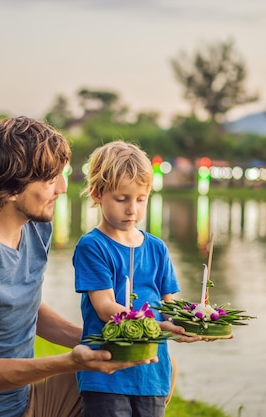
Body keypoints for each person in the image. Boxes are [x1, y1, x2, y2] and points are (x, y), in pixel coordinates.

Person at [0, 116, 156, 417]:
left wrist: (107, 342)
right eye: (49, 179)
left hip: (26, 402)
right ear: (10, 188)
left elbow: (25, 308)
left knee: (150, 375)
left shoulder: (35, 226)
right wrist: (73, 361)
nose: (61, 187)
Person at [73, 140, 203, 417]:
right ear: (97, 193)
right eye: (122, 199)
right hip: (106, 373)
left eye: (141, 199)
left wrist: (192, 321)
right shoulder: (93, 246)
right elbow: (105, 307)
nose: (132, 209)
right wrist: (153, 324)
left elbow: (169, 308)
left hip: (152, 371)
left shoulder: (157, 248)